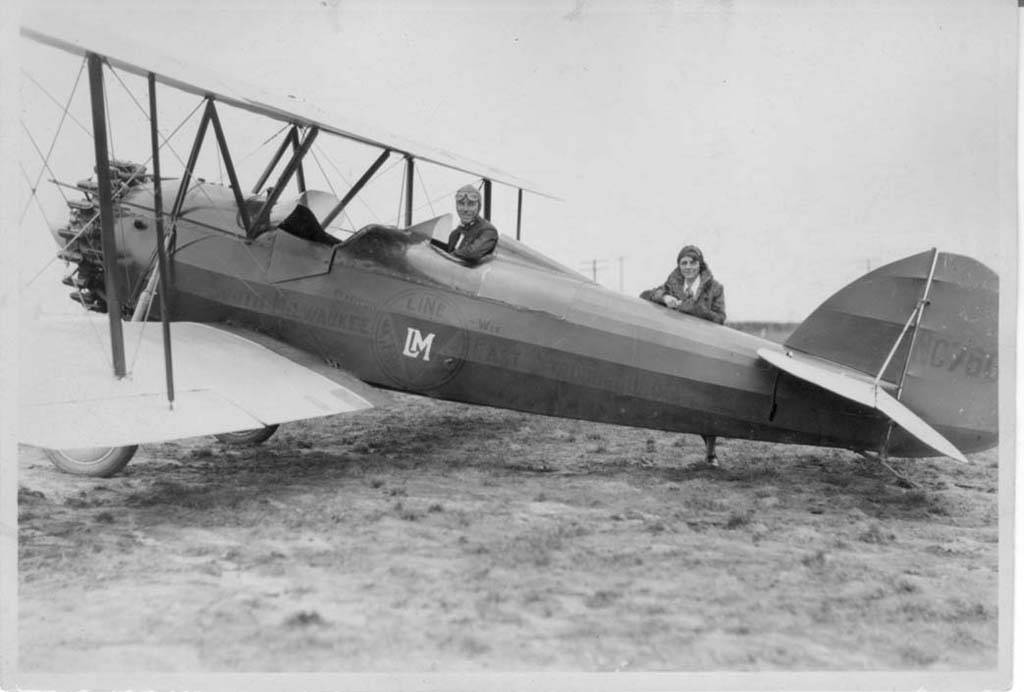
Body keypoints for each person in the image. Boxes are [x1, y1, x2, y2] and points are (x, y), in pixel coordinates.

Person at [641, 244, 726, 467]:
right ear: (679, 266)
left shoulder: (715, 288)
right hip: (679, 349)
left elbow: (720, 318)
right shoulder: (673, 284)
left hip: (705, 348)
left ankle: (711, 452)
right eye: (683, 263)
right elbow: (646, 294)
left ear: (700, 264)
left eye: (692, 263)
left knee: (707, 400)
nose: (688, 267)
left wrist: (692, 308)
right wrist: (664, 298)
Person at [447, 185, 498, 262]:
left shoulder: (488, 231)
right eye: (461, 204)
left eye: (471, 204)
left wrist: (448, 256)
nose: (465, 209)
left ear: (479, 207)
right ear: (456, 206)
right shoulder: (454, 234)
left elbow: (472, 253)